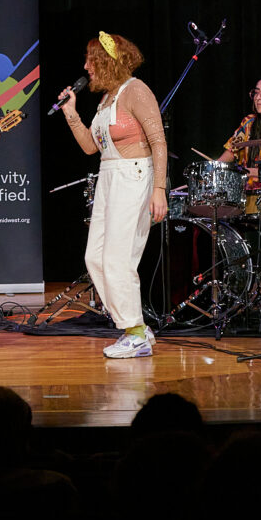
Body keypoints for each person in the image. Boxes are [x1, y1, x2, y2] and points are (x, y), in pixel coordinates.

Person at [57, 32, 167, 358]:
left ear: (106, 61)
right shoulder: (107, 99)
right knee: (95, 258)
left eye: (91, 59)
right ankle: (136, 327)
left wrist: (159, 189)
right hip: (109, 176)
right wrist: (71, 113)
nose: (86, 66)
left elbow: (159, 142)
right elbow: (91, 146)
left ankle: (134, 333)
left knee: (118, 259)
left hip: (134, 176)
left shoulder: (136, 91)